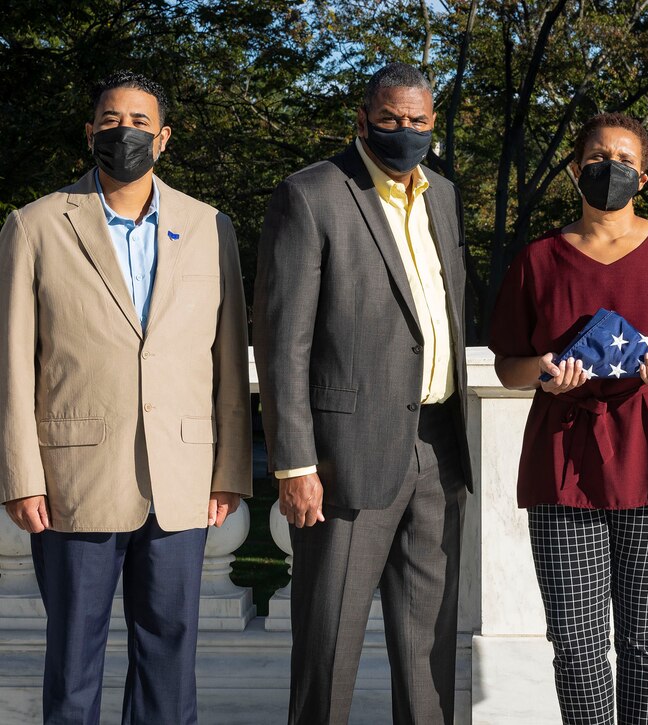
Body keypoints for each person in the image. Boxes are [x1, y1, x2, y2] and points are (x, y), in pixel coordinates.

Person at [0, 70, 252, 724]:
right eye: (112, 121)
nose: (125, 133)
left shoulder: (209, 227)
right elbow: (14, 363)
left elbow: (227, 356)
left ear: (164, 139)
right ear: (90, 132)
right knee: (74, 662)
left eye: (140, 123)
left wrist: (228, 470)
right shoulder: (34, 226)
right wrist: (21, 476)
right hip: (73, 478)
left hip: (182, 477)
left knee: (170, 658)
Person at [489, 112, 648, 725]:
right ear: (575, 169)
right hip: (565, 459)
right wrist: (543, 370)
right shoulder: (538, 260)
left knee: (645, 641)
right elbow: (507, 366)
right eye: (598, 157)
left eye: (625, 160)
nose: (611, 169)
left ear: (644, 177)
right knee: (575, 644)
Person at [252, 62, 472, 725]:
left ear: (433, 123)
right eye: (390, 119)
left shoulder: (445, 196)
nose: (404, 131)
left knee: (429, 648)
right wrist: (293, 462)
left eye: (418, 121)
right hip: (344, 458)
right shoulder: (312, 195)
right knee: (328, 645)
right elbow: (282, 340)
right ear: (362, 119)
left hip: (438, 448)